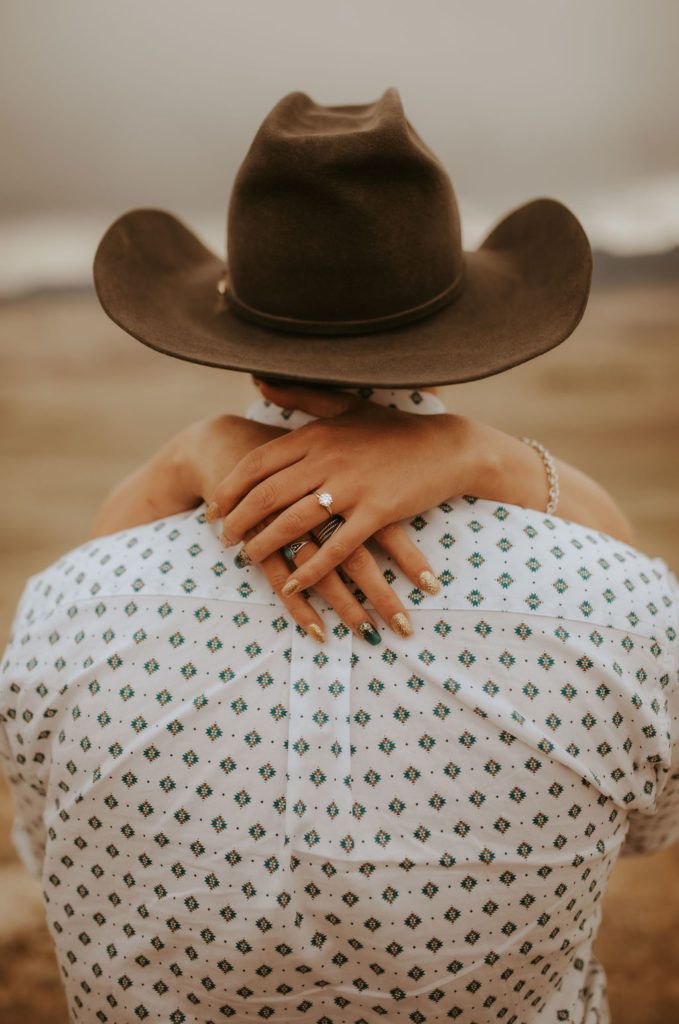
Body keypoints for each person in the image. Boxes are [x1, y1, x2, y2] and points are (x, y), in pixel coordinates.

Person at [1, 89, 677, 1024]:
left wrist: (179, 459)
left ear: (247, 353)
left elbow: (48, 829)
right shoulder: (619, 605)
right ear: (452, 347)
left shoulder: (72, 607)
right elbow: (647, 825)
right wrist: (491, 455)